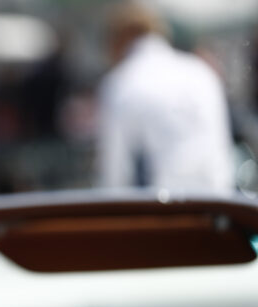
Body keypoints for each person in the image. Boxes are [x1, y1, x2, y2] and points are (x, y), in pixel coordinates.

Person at [96, 0, 235, 193]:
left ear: (116, 39)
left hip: (163, 211)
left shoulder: (121, 81)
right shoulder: (200, 72)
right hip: (218, 207)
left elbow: (115, 172)